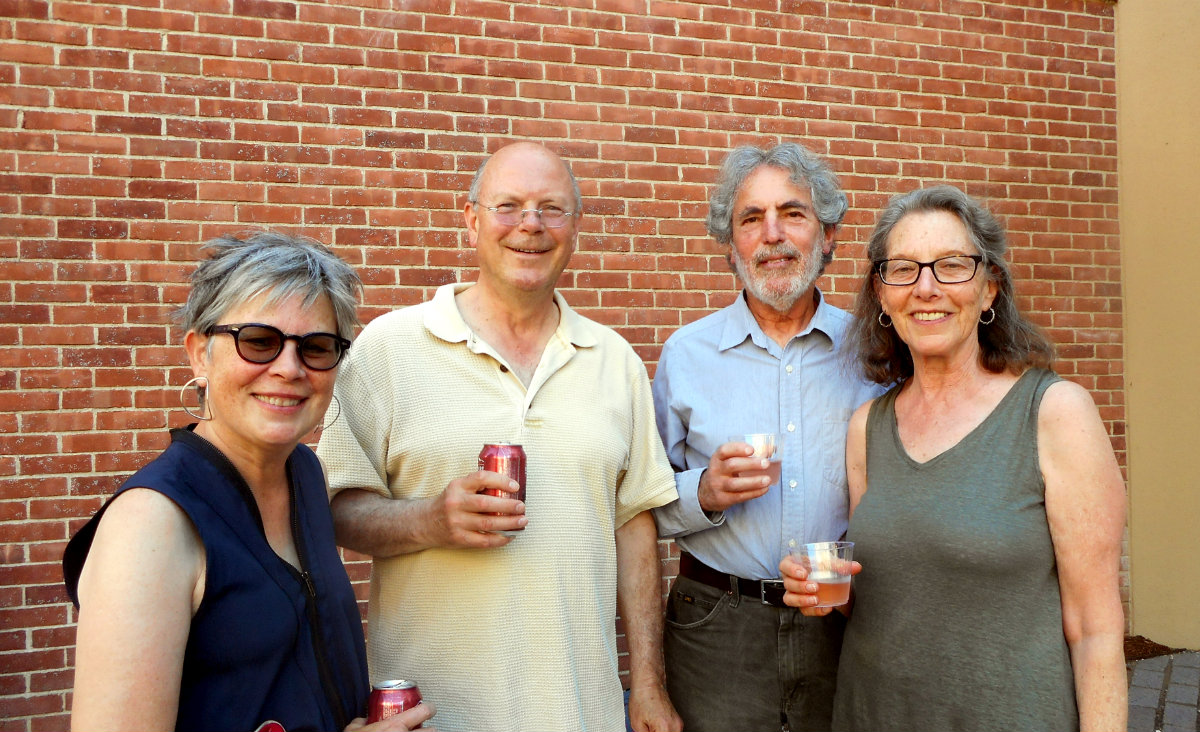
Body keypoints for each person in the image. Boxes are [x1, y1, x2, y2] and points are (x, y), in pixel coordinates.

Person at [315, 141, 682, 732]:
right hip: (434, 714)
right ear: (472, 220)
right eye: (508, 205)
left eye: (551, 208)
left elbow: (635, 526)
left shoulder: (615, 361)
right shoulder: (387, 349)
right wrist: (431, 520)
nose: (530, 225)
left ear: (576, 226)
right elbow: (334, 512)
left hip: (580, 710)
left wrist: (648, 685)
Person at [779, 185, 1127, 731]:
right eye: (903, 269)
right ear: (882, 294)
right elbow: (884, 594)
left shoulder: (1055, 412)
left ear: (989, 289)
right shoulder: (867, 428)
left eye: (951, 266)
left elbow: (1096, 629)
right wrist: (820, 591)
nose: (926, 288)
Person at [62, 232, 436, 732]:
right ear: (199, 355)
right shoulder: (152, 523)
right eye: (258, 341)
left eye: (316, 347)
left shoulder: (304, 475)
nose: (288, 368)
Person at [651, 142, 886, 732]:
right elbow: (641, 505)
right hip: (715, 623)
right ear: (732, 247)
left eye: (793, 213)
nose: (772, 234)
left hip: (845, 616)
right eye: (751, 219)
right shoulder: (686, 355)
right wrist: (704, 492)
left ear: (827, 235)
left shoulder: (877, 356)